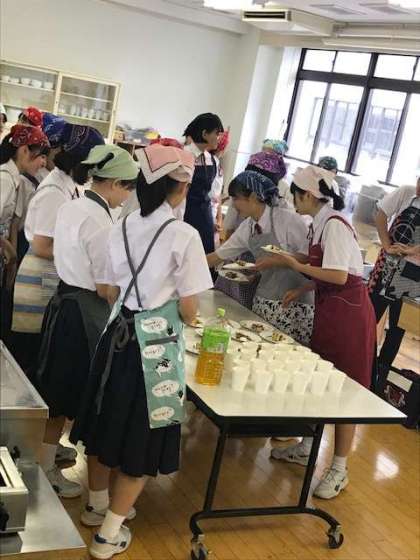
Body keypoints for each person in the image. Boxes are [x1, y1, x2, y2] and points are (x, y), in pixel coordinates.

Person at [69, 143, 213, 559]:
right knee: (141, 441)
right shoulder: (184, 235)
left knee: (104, 423)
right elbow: (190, 310)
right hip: (156, 349)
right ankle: (107, 537)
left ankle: (97, 506)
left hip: (116, 336)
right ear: (180, 187)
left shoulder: (122, 223)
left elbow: (109, 289)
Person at [35, 145, 138, 499]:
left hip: (62, 304)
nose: (128, 197)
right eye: (128, 188)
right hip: (83, 312)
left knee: (55, 389)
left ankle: (47, 457)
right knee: (65, 393)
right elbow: (105, 288)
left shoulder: (73, 205)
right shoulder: (101, 223)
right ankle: (45, 471)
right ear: (115, 184)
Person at [269, 165, 376, 499]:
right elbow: (324, 266)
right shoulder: (319, 222)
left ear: (308, 195)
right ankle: (307, 447)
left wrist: (295, 266)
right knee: (322, 380)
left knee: (347, 391)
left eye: (295, 195)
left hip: (350, 317)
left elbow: (340, 276)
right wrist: (299, 284)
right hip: (331, 312)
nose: (292, 201)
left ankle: (339, 468)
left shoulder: (335, 226)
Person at [11, 124, 104, 373]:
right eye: (92, 166)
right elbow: (42, 246)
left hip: (49, 276)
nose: (93, 173)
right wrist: (80, 255)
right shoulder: (54, 191)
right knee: (27, 357)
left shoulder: (68, 184)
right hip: (38, 279)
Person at [207, 170, 313, 344]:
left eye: (236, 198)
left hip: (294, 304)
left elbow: (308, 257)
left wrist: (275, 260)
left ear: (253, 197)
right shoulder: (248, 226)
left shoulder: (288, 220)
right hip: (264, 301)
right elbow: (219, 256)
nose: (233, 205)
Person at [368, 178, 420, 387]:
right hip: (388, 264)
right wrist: (386, 244)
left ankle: (381, 376)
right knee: (369, 317)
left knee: (397, 328)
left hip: (413, 274)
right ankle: (364, 365)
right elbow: (380, 214)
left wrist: (412, 250)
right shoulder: (406, 192)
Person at [0, 124, 50, 342]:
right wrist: (9, 248)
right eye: (41, 156)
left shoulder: (13, 178)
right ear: (23, 150)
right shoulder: (5, 179)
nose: (43, 163)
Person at [183, 113, 224, 256]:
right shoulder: (183, 155)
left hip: (205, 217)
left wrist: (215, 218)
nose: (219, 138)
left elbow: (214, 194)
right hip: (185, 213)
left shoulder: (212, 160)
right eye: (217, 134)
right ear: (205, 134)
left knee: (204, 256)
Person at [209, 129, 230, 246]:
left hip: (212, 215)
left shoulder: (218, 167)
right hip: (207, 215)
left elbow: (217, 197)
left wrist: (219, 219)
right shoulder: (209, 164)